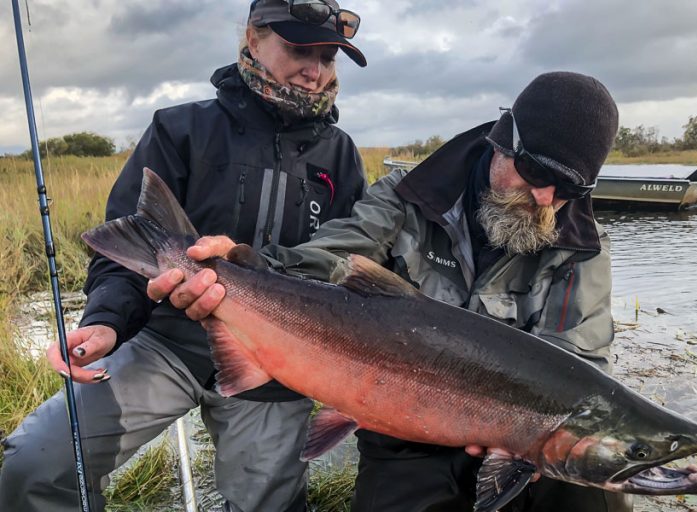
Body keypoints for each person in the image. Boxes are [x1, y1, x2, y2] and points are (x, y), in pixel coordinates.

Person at [150, 71, 633, 512]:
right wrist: (244, 267)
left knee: (604, 503)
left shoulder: (582, 245)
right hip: (400, 435)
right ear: (503, 142)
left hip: (521, 437)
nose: (547, 198)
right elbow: (328, 259)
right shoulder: (405, 198)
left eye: (570, 187)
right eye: (537, 174)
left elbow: (581, 371)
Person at [0, 1, 368, 511]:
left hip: (276, 370)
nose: (315, 69)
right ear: (253, 39)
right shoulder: (180, 130)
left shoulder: (343, 157)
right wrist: (106, 321)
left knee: (271, 504)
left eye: (329, 57)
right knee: (35, 464)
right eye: (300, 49)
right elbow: (124, 257)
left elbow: (345, 273)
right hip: (165, 342)